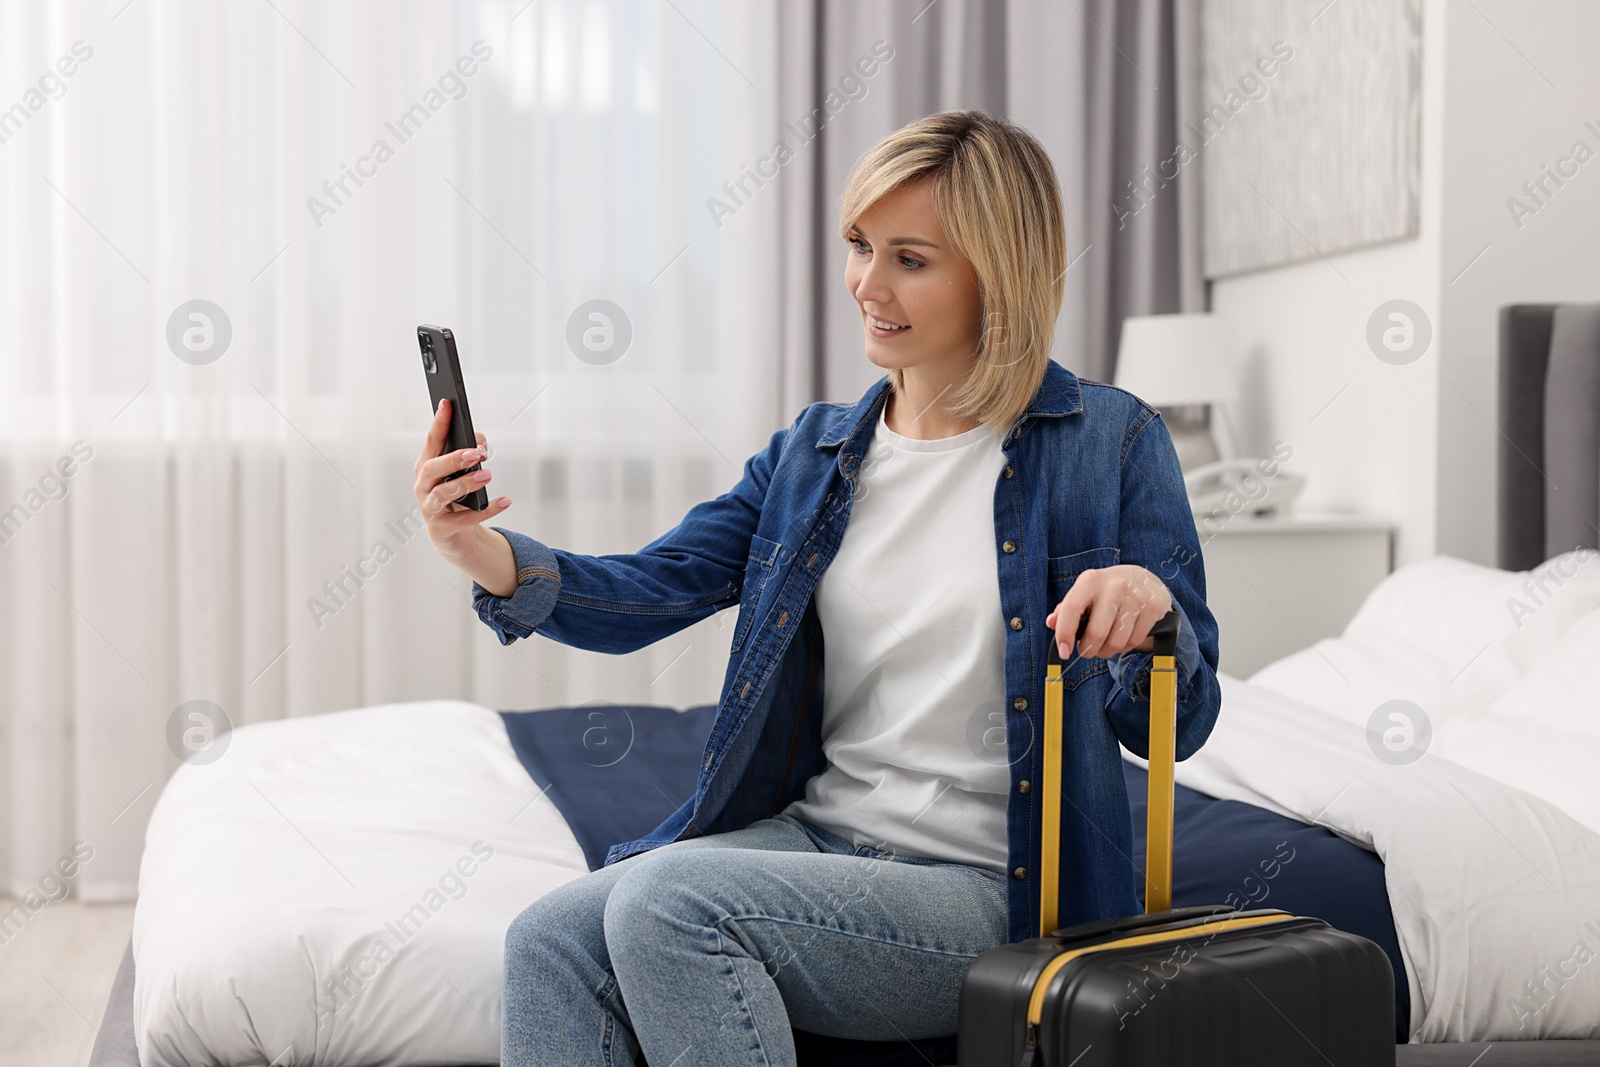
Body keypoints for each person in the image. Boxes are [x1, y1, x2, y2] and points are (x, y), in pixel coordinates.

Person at [413, 108, 1221, 1067]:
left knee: (670, 907)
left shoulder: (1109, 441)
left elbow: (1181, 718)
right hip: (817, 844)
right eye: (858, 246)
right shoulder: (817, 454)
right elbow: (656, 586)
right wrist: (478, 549)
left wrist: (1150, 614)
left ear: (996, 273)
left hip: (992, 888)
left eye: (910, 259)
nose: (868, 286)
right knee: (546, 938)